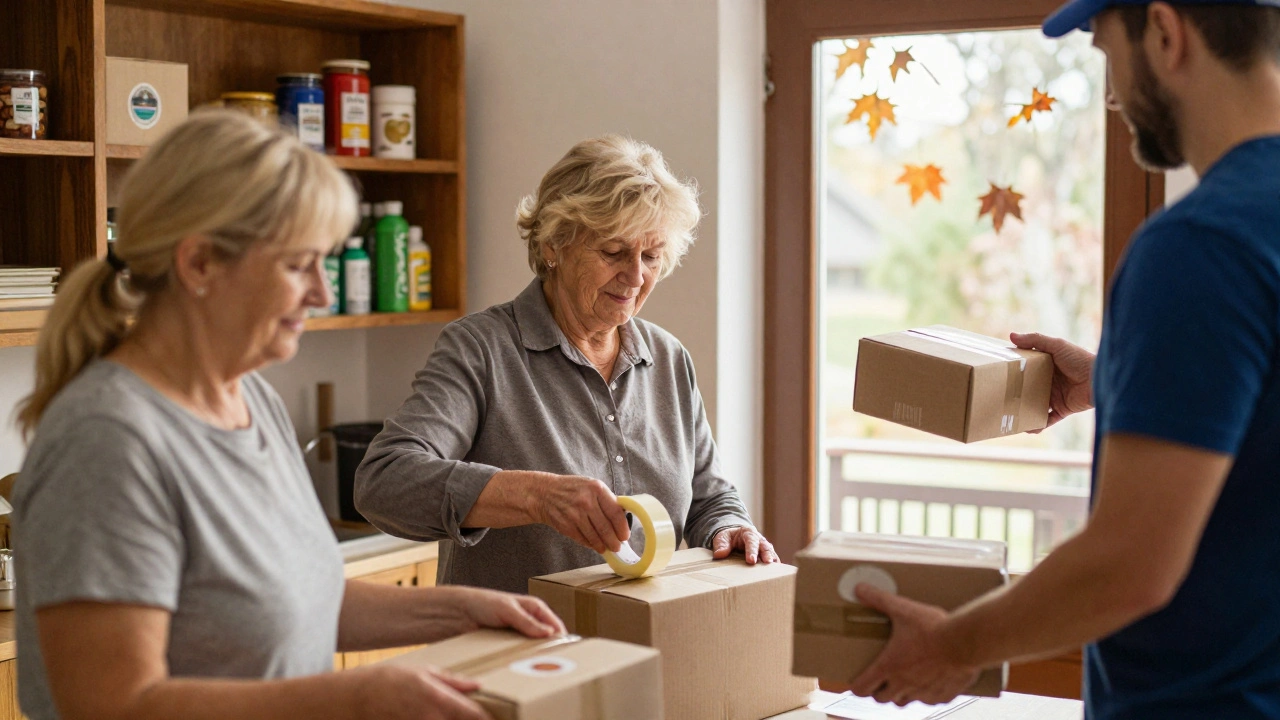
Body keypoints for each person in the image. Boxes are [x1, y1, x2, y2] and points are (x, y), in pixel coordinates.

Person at [12, 110, 564, 720]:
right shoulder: (106, 441)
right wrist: (354, 698)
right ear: (199, 264)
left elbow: (303, 600)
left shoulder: (254, 402)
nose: (322, 295)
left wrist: (462, 612)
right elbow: (113, 706)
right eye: (299, 265)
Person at [844, 2, 1280, 717]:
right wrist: (1119, 383)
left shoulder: (1200, 246)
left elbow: (1129, 566)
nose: (1110, 95)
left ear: (1167, 34)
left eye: (1109, 55)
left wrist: (951, 647)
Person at [355, 135, 776, 594]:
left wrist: (728, 528)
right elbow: (384, 481)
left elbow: (709, 497)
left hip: (641, 647)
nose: (636, 277)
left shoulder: (669, 358)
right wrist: (536, 497)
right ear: (555, 244)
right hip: (514, 654)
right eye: (614, 252)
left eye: (651, 256)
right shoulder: (482, 349)